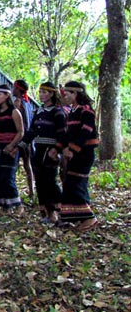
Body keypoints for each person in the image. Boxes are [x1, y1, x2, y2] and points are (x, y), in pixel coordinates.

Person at [22, 82, 67, 223]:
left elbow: (63, 134)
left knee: (50, 182)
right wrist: (20, 145)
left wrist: (57, 149)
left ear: (52, 94)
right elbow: (32, 131)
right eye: (40, 92)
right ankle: (47, 213)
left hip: (51, 152)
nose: (41, 95)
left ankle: (61, 212)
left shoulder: (58, 112)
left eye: (44, 92)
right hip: (38, 151)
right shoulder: (39, 111)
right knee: (40, 183)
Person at [58, 81, 98, 232]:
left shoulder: (86, 111)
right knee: (72, 184)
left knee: (75, 184)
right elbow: (69, 135)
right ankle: (78, 218)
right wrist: (58, 149)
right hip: (75, 154)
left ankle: (90, 218)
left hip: (84, 154)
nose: (65, 96)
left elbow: (85, 132)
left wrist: (73, 149)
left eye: (67, 93)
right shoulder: (72, 112)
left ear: (75, 94)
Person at [0, 84, 24, 211]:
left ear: (7, 95)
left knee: (8, 176)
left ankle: (18, 205)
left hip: (10, 147)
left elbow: (21, 132)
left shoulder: (14, 112)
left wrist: (11, 145)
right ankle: (5, 206)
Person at [13, 79, 36, 200]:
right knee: (28, 165)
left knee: (16, 166)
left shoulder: (18, 103)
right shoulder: (28, 103)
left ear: (18, 89)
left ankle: (15, 191)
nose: (13, 89)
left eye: (14, 87)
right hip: (28, 139)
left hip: (21, 138)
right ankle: (31, 190)